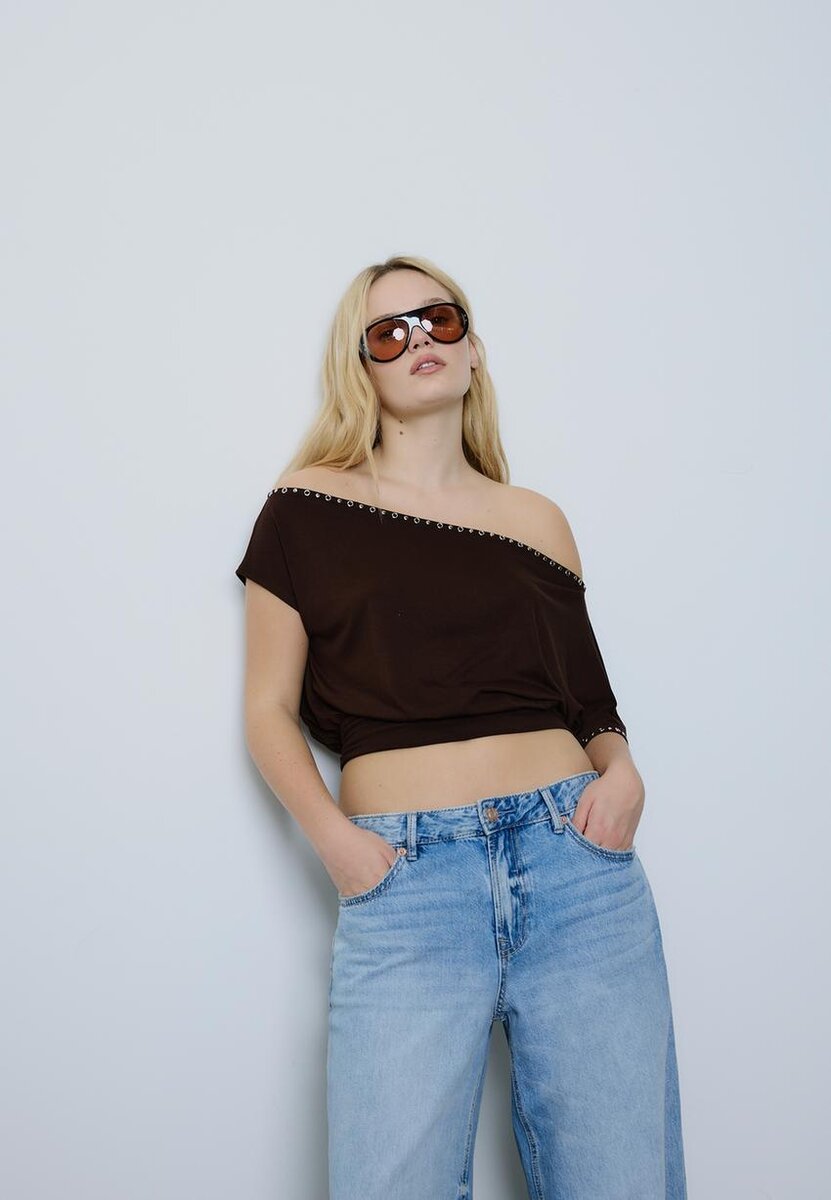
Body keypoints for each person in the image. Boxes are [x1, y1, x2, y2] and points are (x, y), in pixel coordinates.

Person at [235, 254, 687, 1199]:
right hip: (406, 881)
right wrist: (337, 844)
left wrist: (623, 774)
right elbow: (268, 710)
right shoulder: (302, 508)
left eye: (438, 320)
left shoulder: (535, 519)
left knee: (620, 1179)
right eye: (388, 332)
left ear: (474, 348)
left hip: (577, 868)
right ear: (361, 367)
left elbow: (589, 705)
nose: (419, 342)